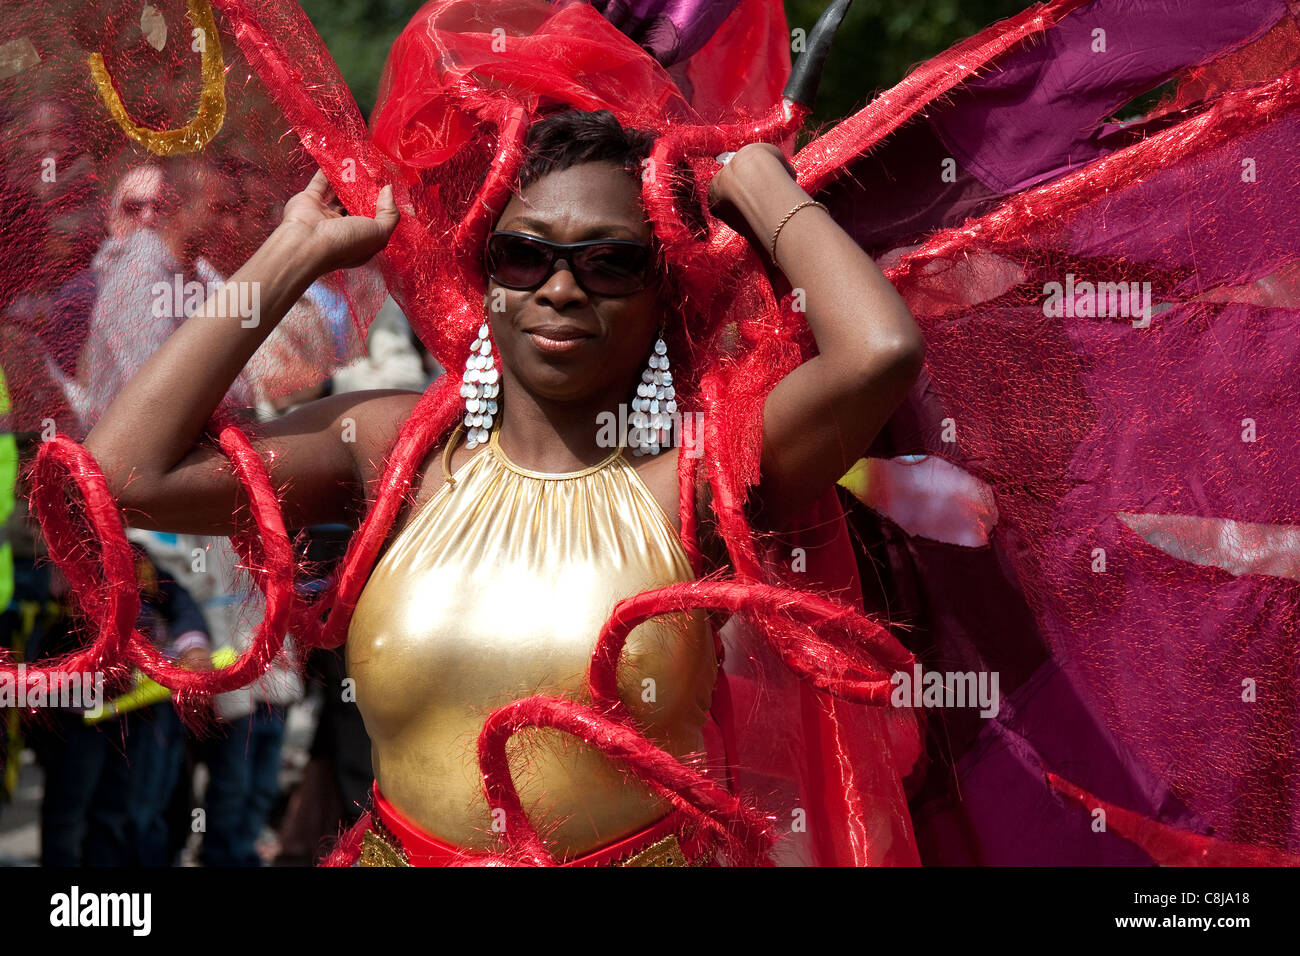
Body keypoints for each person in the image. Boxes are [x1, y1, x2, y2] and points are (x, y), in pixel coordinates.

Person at [80, 104, 924, 865]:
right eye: (523, 256)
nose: (560, 288)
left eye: (609, 263)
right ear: (485, 279)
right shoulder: (395, 450)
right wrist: (294, 249)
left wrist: (769, 193)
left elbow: (878, 354)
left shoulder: (699, 480)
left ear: (660, 291)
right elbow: (122, 475)